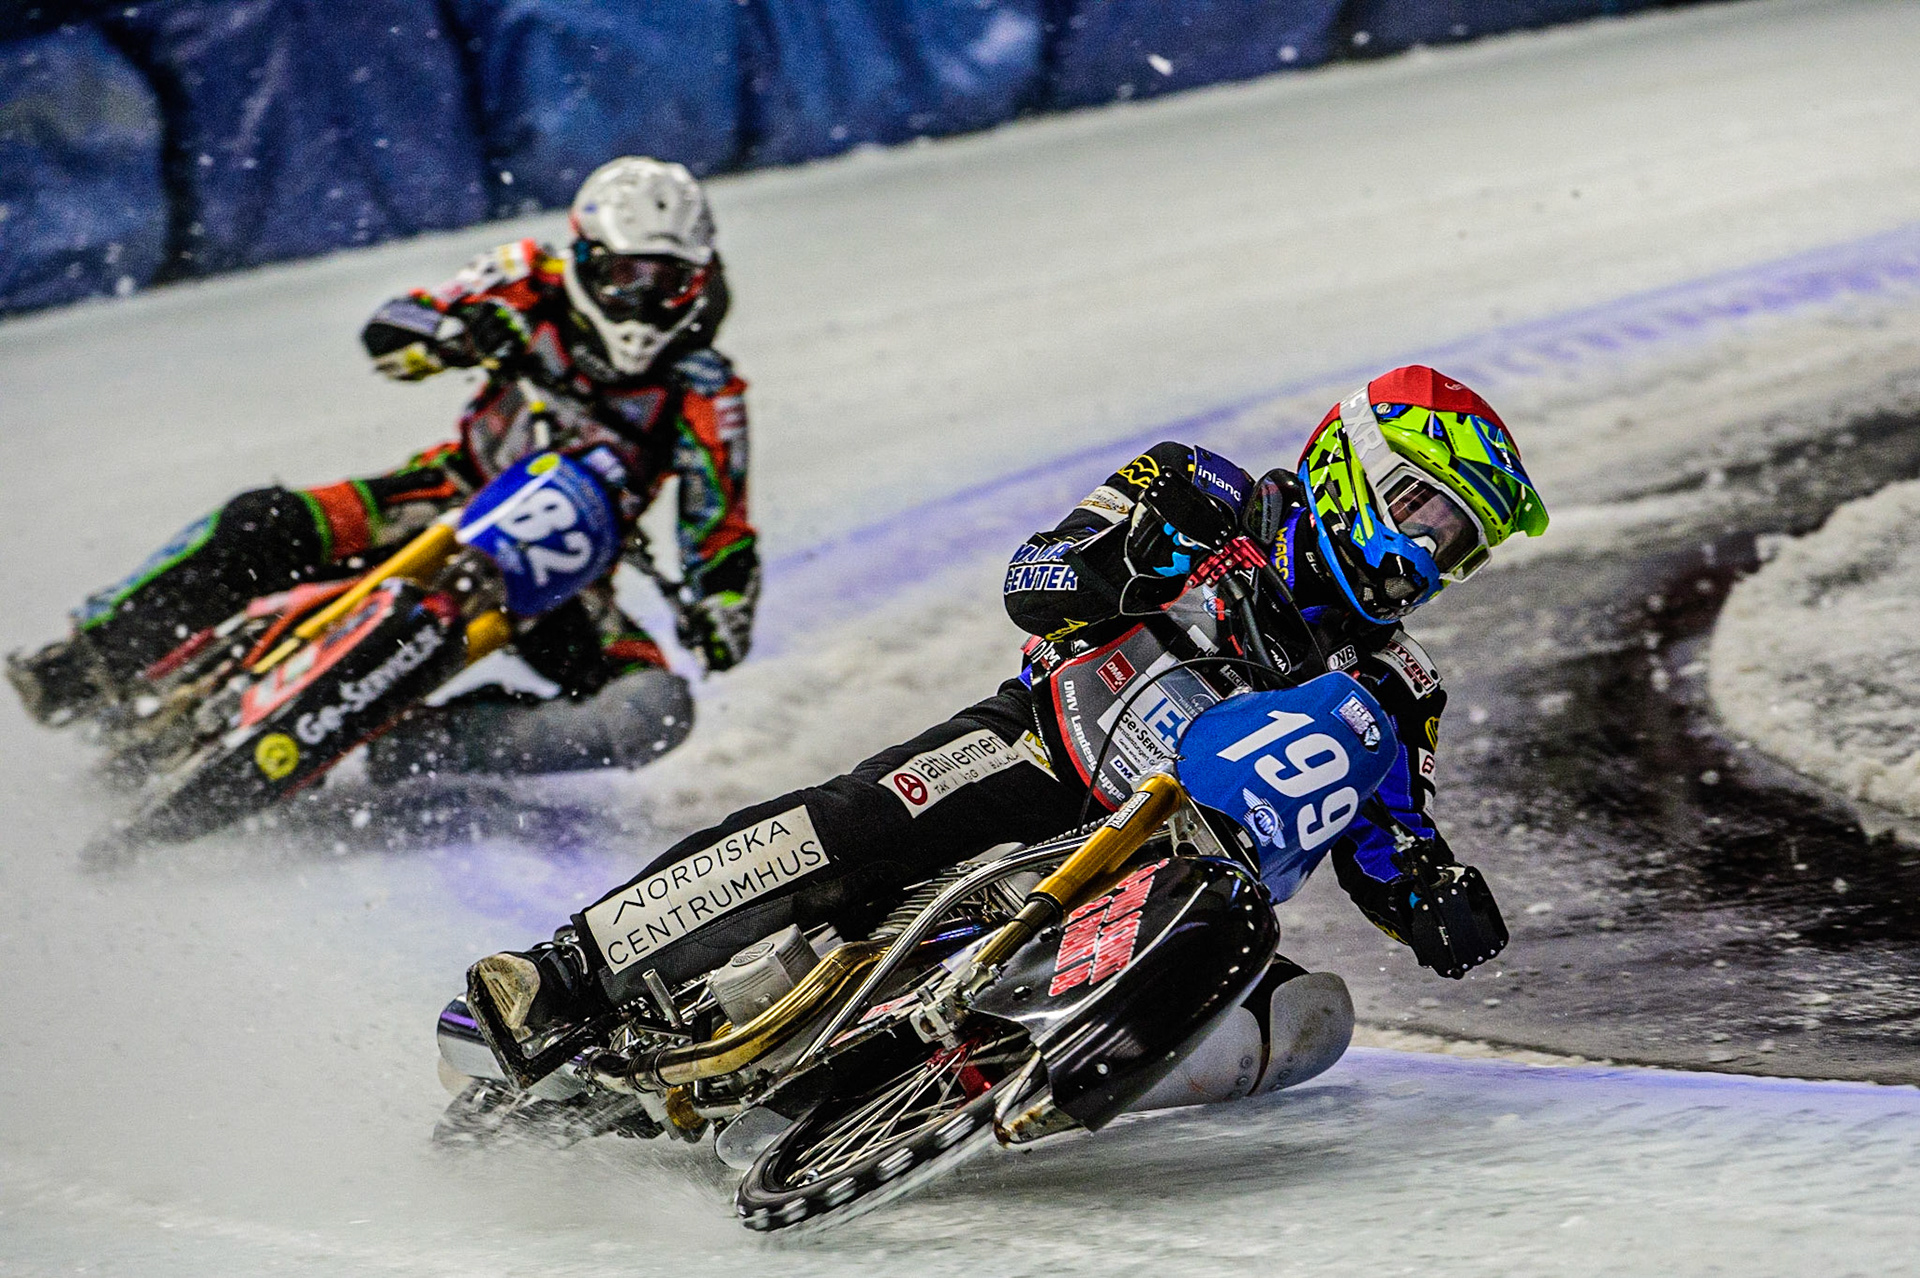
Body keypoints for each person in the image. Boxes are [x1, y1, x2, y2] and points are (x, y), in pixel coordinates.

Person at [469, 364, 1548, 1107]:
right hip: (1042, 751)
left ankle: (961, 1089)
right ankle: (562, 973)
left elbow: (1386, 831)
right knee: (847, 828)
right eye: (1425, 510)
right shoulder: (1200, 489)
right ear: (1353, 465)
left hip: (1174, 867)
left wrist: (1434, 898)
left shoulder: (1399, 686)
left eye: (1458, 545)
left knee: (1308, 1019)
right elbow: (1035, 575)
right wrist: (1123, 568)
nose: (1425, 554)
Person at [8, 157, 759, 775]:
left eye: (669, 284)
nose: (642, 304)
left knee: (654, 710)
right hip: (444, 494)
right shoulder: (526, 274)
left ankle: (429, 750)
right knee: (262, 521)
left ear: (700, 280)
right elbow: (393, 328)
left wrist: (722, 607)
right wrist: (455, 332)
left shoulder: (704, 391)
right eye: (626, 278)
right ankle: (87, 661)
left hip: (565, 577)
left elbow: (718, 524)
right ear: (586, 259)